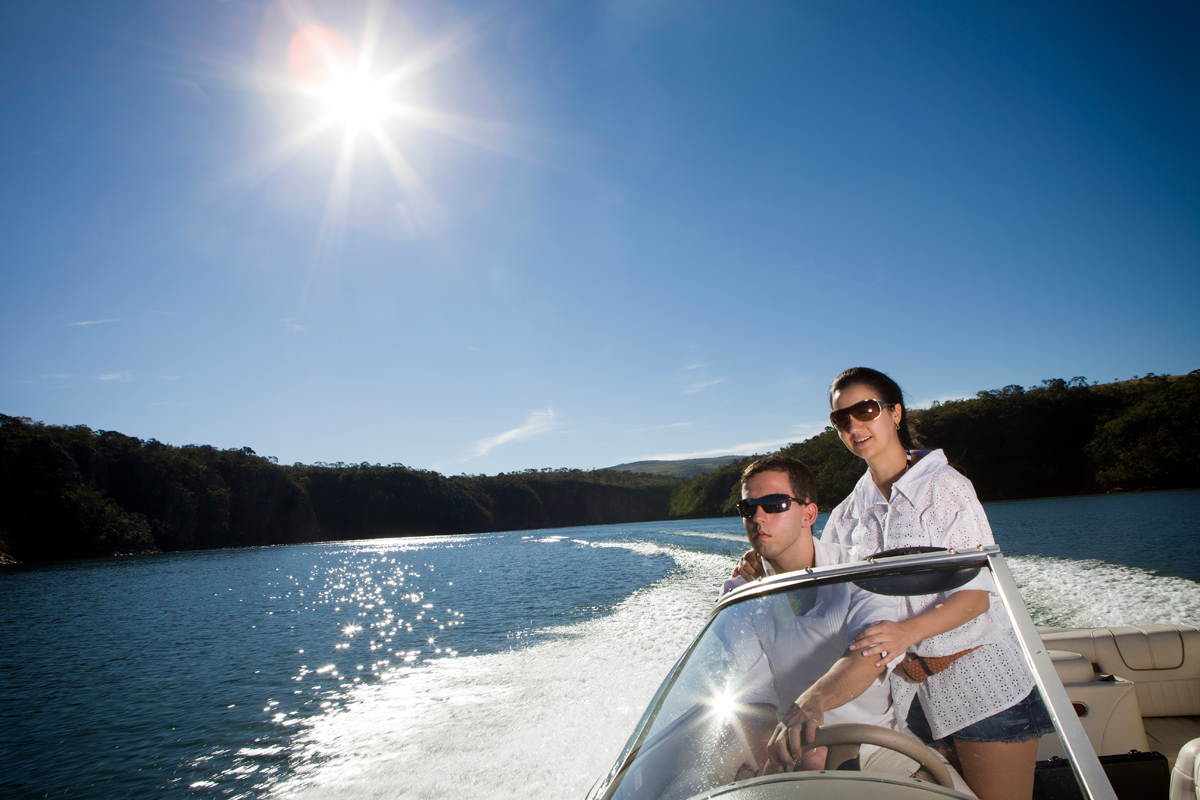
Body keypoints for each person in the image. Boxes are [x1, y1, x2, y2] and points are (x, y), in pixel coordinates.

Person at [820, 367, 1051, 800]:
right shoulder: (848, 514)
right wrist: (764, 562)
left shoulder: (945, 487)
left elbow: (975, 598)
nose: (853, 425)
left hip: (983, 685)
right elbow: (825, 590)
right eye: (840, 419)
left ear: (895, 413)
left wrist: (904, 633)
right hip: (908, 701)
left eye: (865, 410)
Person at [719, 455, 904, 774]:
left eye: (774, 505)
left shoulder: (860, 572)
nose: (758, 517)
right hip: (788, 750)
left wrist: (814, 701)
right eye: (748, 508)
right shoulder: (740, 592)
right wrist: (776, 769)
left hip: (875, 747)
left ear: (809, 514)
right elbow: (753, 699)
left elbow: (872, 651)